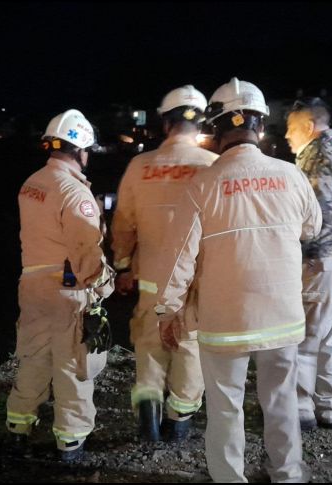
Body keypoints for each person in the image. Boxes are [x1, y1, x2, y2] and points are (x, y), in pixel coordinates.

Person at [155, 78, 322, 483]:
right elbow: (312, 228)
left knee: (225, 407)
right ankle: (287, 474)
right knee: (281, 400)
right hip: (282, 318)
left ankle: (230, 477)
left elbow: (178, 258)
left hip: (224, 323)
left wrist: (168, 310)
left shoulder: (202, 184)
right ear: (260, 126)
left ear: (215, 129)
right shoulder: (291, 175)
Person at [5, 109, 114, 462]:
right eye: (88, 151)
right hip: (67, 291)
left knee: (33, 358)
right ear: (80, 150)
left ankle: (18, 427)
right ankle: (71, 444)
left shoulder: (32, 183)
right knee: (73, 367)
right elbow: (86, 252)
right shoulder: (74, 192)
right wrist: (105, 286)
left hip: (31, 284)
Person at [111, 85, 217, 442]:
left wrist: (123, 266)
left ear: (165, 123)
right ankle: (179, 420)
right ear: (201, 123)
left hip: (151, 279)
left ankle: (148, 414)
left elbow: (123, 224)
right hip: (197, 279)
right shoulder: (213, 166)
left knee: (149, 340)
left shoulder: (140, 166)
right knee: (189, 342)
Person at [285, 97, 332, 432]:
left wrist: (295, 253)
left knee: (304, 337)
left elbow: (313, 218)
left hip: (318, 260)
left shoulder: (315, 159)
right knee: (326, 336)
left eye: (291, 128)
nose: (287, 135)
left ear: (308, 126)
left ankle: (301, 412)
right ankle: (327, 407)